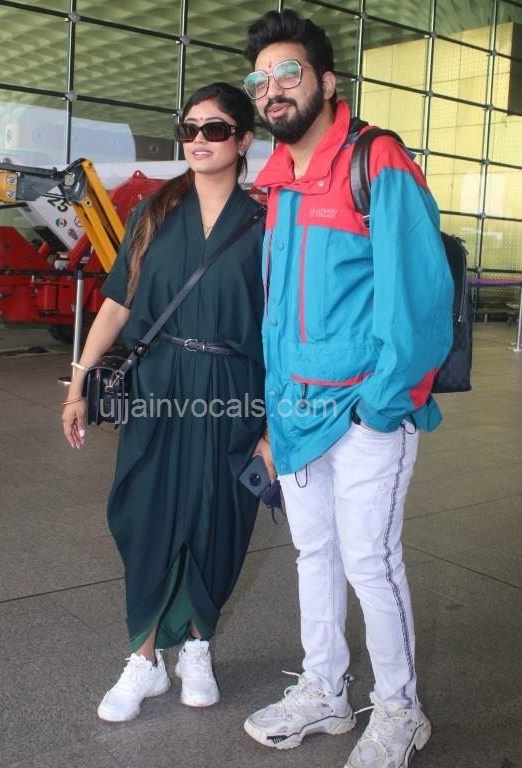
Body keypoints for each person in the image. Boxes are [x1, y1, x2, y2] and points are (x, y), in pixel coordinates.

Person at [242, 10, 453, 768]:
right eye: (260, 79)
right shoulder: (278, 185)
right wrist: (274, 416)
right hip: (297, 413)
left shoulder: (376, 160)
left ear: (327, 83)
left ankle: (400, 709)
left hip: (366, 412)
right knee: (314, 554)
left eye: (288, 72)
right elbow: (277, 319)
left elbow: (419, 299)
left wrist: (380, 408)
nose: (272, 88)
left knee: (370, 561)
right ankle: (326, 691)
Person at [61, 82, 273, 723]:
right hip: (160, 388)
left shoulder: (267, 223)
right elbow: (117, 304)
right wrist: (78, 384)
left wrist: (275, 426)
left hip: (234, 391)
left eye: (215, 129)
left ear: (243, 140)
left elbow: (281, 328)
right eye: (189, 129)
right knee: (146, 512)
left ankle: (199, 645)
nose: (199, 140)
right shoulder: (154, 212)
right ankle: (145, 657)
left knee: (220, 516)